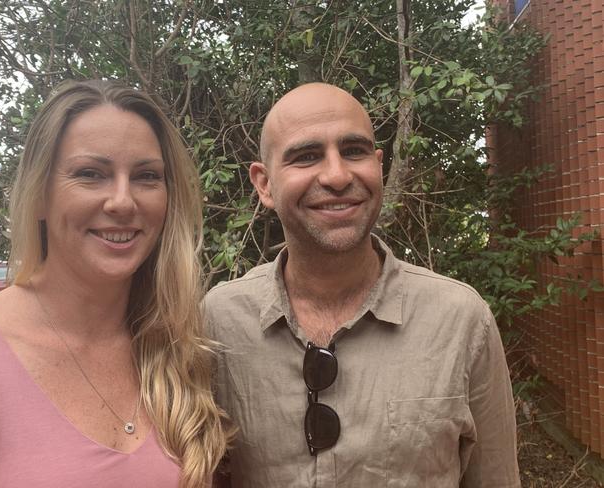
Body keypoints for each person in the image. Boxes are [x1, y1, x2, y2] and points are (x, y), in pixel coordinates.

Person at [206, 83, 520, 487]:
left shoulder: (460, 320)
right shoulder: (218, 323)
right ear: (264, 184)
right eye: (306, 156)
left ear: (378, 164)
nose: (337, 176)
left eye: (353, 151)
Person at [0, 79, 232, 487]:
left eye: (146, 176)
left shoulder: (179, 349)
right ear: (40, 195)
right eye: (90, 174)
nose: (122, 201)